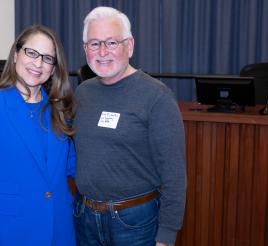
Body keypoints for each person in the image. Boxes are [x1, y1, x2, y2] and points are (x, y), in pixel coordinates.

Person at [73, 6, 186, 246]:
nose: (102, 51)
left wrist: (166, 236)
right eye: (94, 43)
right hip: (85, 218)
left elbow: (174, 176)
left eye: (112, 42)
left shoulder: (157, 97)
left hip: (136, 223)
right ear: (85, 50)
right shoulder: (82, 93)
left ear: (130, 45)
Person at [0, 25, 76, 246]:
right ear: (16, 54)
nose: (38, 63)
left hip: (61, 231)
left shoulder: (60, 110)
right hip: (13, 233)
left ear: (54, 68)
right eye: (31, 53)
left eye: (47, 58)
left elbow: (74, 166)